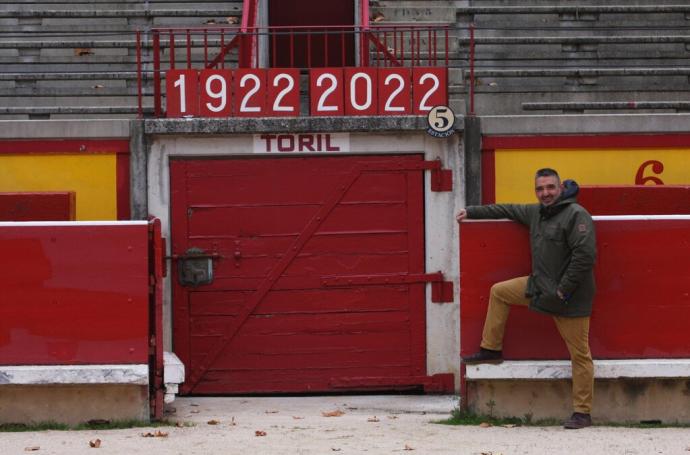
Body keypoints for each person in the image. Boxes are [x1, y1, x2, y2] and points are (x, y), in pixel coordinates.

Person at [456, 168, 597, 430]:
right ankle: (491, 348)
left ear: (560, 188)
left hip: (570, 298)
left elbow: (585, 257)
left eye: (550, 188)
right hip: (540, 287)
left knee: (580, 355)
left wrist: (563, 290)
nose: (545, 193)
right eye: (540, 189)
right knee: (500, 291)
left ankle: (582, 412)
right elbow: (506, 209)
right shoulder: (536, 213)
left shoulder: (577, 215)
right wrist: (472, 211)